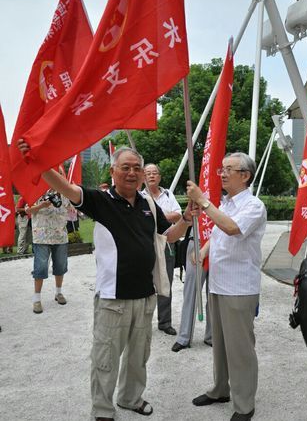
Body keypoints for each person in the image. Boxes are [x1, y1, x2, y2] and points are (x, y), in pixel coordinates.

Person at [18, 141, 198, 421]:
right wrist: (37, 161)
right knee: (106, 359)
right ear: (113, 171)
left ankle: (130, 397)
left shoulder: (148, 204)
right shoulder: (101, 201)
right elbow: (67, 188)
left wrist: (186, 219)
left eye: (137, 168)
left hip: (145, 295)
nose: (132, 173)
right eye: (125, 167)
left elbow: (169, 236)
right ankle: (102, 410)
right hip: (112, 299)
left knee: (138, 358)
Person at [187, 152, 267, 421]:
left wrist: (203, 200)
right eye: (221, 169)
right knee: (220, 344)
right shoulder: (228, 204)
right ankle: (220, 388)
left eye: (228, 170)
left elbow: (232, 228)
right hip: (218, 285)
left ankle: (244, 404)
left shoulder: (253, 206)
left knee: (240, 348)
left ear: (244, 176)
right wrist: (204, 250)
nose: (221, 173)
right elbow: (220, 232)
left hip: (239, 287)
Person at [142, 163, 181, 336]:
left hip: (166, 242)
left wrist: (154, 214)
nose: (151, 176)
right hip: (145, 245)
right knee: (144, 284)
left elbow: (178, 215)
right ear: (143, 177)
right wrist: (164, 215)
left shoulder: (168, 194)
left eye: (154, 173)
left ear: (159, 176)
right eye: (148, 173)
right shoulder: (139, 196)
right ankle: (142, 323)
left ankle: (165, 322)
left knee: (166, 283)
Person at [25, 167, 70, 314]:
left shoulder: (66, 192)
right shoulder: (37, 191)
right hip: (42, 235)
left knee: (60, 266)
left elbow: (73, 207)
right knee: (40, 267)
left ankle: (58, 293)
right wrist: (41, 205)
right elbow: (27, 210)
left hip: (60, 235)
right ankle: (36, 299)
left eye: (60, 175)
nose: (58, 177)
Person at [171, 234, 212, 351]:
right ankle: (184, 337)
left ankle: (212, 336)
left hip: (219, 243)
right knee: (190, 293)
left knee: (215, 295)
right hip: (197, 241)